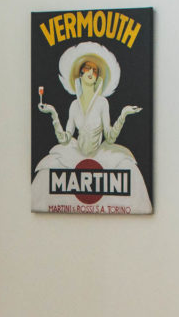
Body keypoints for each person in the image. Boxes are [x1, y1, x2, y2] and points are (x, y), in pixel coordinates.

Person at [32, 42, 150, 213]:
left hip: (100, 154)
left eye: (94, 71)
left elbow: (109, 137)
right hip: (75, 154)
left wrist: (123, 114)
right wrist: (53, 114)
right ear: (79, 74)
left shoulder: (103, 103)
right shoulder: (74, 105)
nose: (90, 73)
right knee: (45, 172)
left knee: (131, 170)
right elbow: (64, 138)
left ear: (98, 77)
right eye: (86, 69)